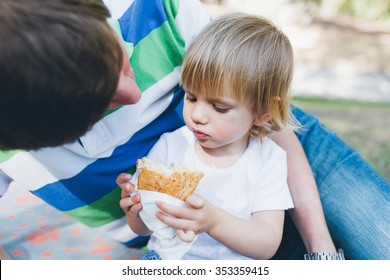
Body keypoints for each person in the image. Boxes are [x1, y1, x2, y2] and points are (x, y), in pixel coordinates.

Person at [0, 0, 388, 260]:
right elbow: (149, 224)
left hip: (276, 145)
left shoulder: (148, 6)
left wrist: (320, 252)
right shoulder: (170, 147)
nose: (136, 95)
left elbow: (265, 233)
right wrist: (138, 210)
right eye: (103, 102)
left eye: (121, 61)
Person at [118, 13, 296, 260]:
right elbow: (147, 229)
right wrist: (136, 213)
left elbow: (266, 244)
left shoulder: (268, 160)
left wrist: (214, 222)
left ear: (264, 113)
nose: (197, 115)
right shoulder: (172, 146)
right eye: (191, 97)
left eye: (219, 107)